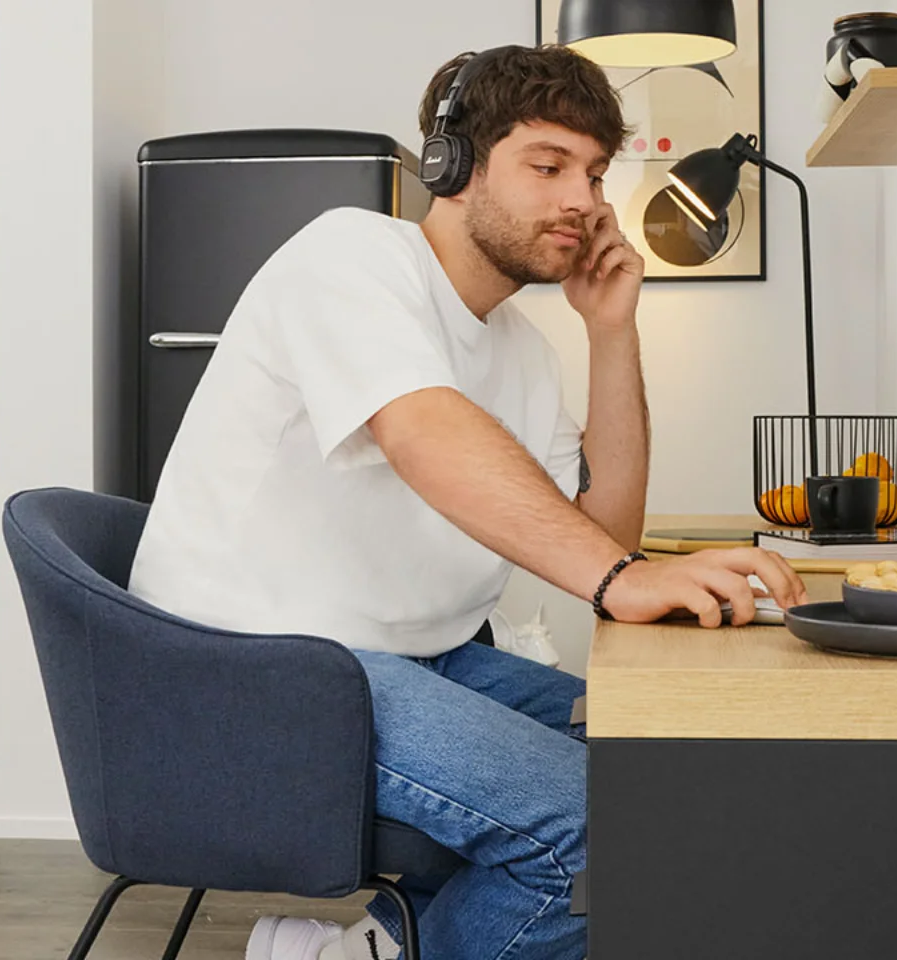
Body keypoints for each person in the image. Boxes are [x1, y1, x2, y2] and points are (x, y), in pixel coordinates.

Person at [125, 44, 807, 960]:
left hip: (417, 661)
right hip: (258, 675)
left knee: (655, 767)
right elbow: (426, 433)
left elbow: (607, 536)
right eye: (548, 165)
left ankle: (382, 942)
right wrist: (623, 579)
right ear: (452, 167)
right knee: (598, 828)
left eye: (597, 173)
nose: (585, 200)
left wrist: (611, 332)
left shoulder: (522, 348)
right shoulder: (352, 255)